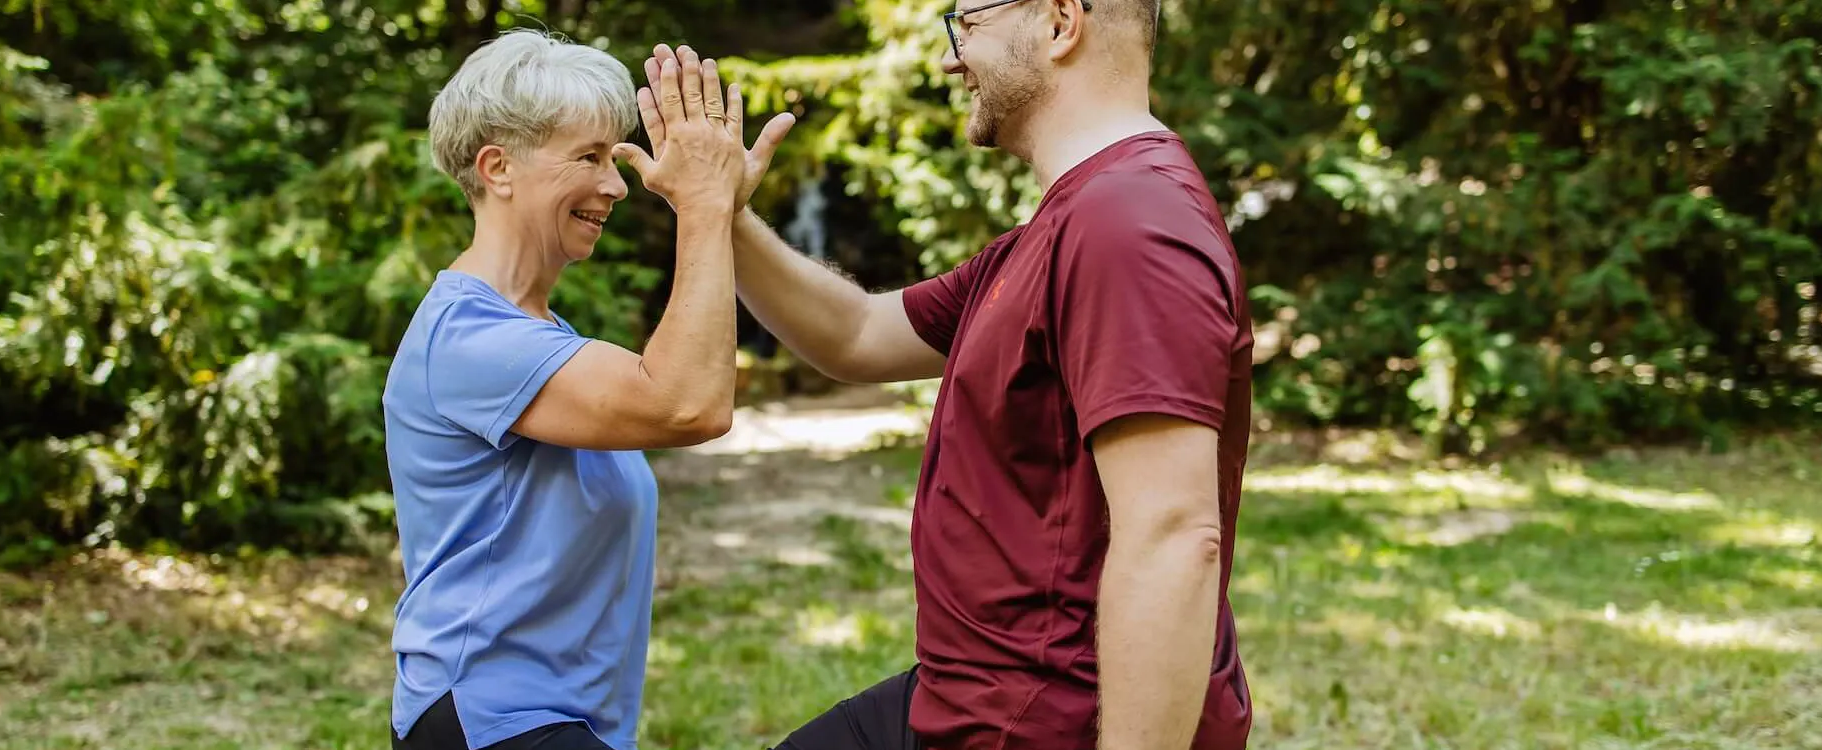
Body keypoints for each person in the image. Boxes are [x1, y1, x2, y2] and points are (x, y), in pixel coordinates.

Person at [640, 0, 1256, 745]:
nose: (949, 58)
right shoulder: (1061, 229)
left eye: (967, 22)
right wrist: (718, 210)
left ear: (1061, 21)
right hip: (965, 697)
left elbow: (1173, 536)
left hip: (1042, 722)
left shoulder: (1129, 222)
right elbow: (858, 334)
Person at [381, 30, 791, 750]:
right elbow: (687, 402)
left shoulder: (540, 335)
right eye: (589, 157)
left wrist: (719, 207)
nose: (615, 185)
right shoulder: (469, 339)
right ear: (497, 167)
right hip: (490, 720)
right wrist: (701, 206)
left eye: (613, 157)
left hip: (554, 725)